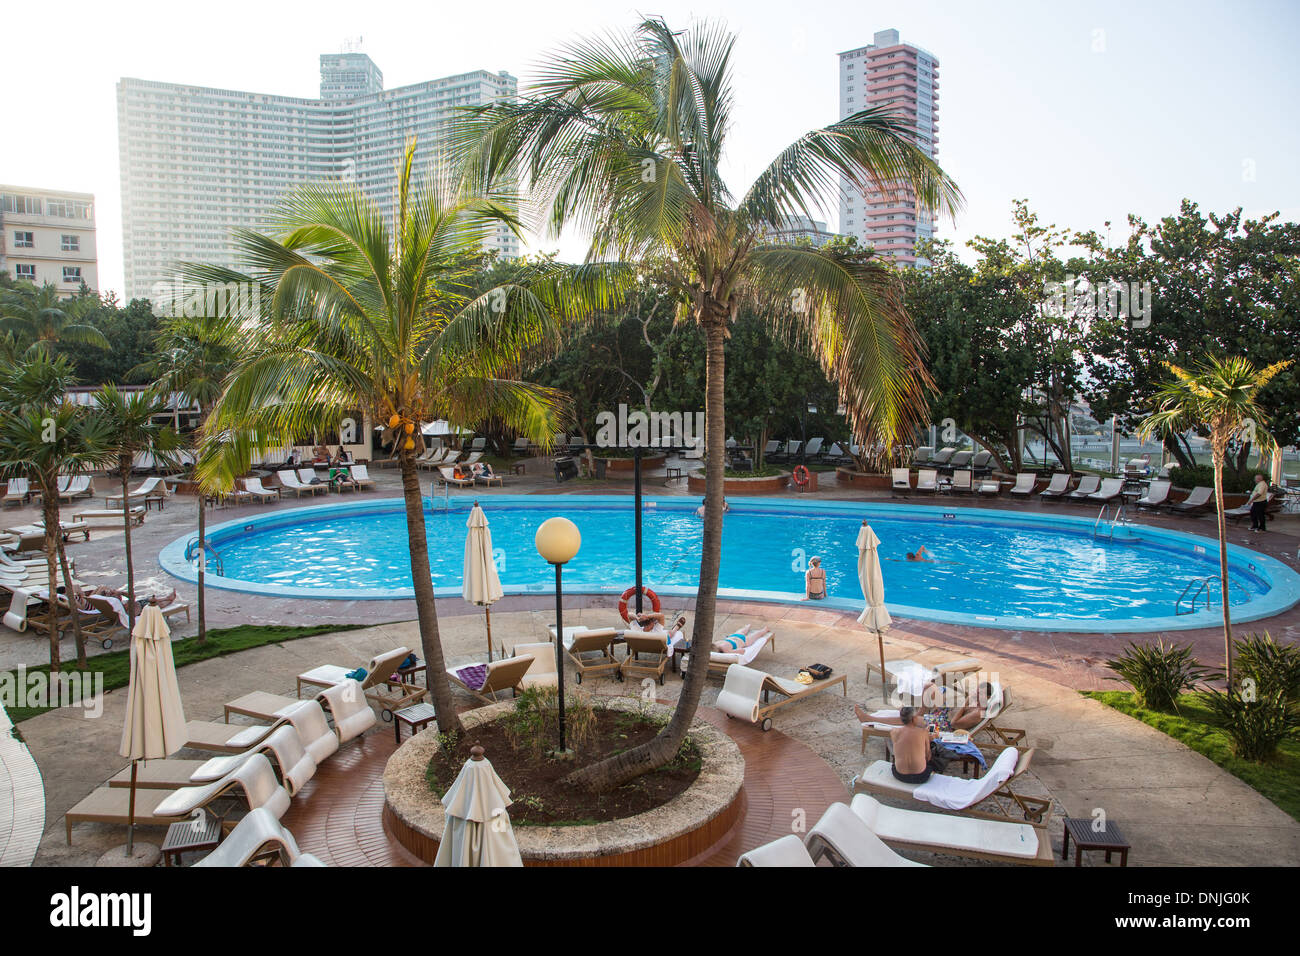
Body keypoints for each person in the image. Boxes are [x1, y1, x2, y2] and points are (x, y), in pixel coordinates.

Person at [889, 706, 945, 783]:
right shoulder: (922, 732)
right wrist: (930, 738)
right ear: (914, 718)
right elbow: (928, 756)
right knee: (935, 755)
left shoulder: (894, 732)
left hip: (899, 774)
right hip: (920, 776)